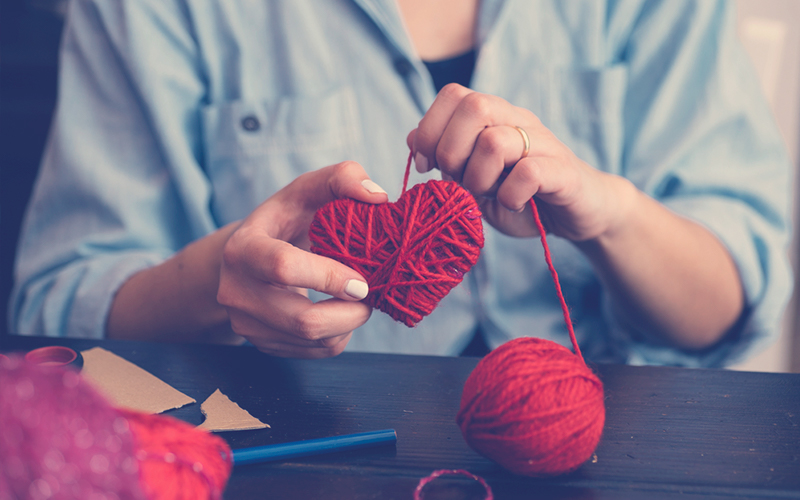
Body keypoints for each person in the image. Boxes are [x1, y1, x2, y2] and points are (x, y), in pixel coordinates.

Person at [10, 0, 792, 367]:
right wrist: (218, 283)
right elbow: (52, 305)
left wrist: (609, 213)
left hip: (601, 448)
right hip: (299, 451)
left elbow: (731, 304)